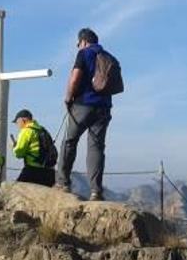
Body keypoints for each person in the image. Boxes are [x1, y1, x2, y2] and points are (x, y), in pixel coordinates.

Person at [58, 28, 114, 201]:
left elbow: (75, 78)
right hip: (104, 107)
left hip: (83, 105)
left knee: (69, 141)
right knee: (96, 147)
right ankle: (96, 191)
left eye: (78, 44)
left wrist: (68, 97)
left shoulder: (84, 54)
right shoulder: (108, 57)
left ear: (83, 41)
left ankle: (62, 183)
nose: (78, 47)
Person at [11, 109, 55, 187]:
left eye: (17, 122)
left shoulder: (26, 131)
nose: (17, 125)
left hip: (32, 171)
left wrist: (14, 148)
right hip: (49, 172)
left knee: (16, 191)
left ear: (23, 120)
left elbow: (19, 153)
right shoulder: (43, 130)